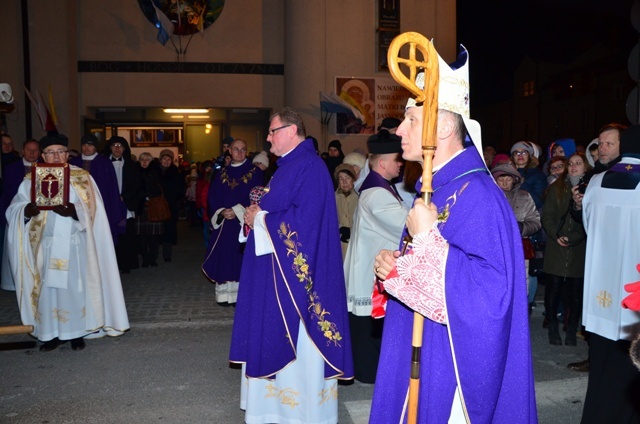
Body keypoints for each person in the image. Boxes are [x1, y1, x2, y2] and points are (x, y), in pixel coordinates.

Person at [370, 46, 537, 423]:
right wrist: (395, 269)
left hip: (453, 362)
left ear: (443, 127)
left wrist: (428, 241)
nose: (398, 130)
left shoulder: (478, 195)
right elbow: (433, 269)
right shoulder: (436, 187)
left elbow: (491, 297)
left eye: (410, 120)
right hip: (427, 345)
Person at [230, 108, 353, 423]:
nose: (268, 139)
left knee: (292, 338)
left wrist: (260, 219)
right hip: (274, 272)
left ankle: (297, 412)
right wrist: (256, 214)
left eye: (272, 131)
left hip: (294, 280)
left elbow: (306, 224)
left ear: (292, 130)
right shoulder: (288, 166)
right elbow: (277, 206)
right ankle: (274, 410)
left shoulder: (309, 167)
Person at [5, 134, 129, 351]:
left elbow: (95, 210)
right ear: (43, 155)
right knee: (47, 290)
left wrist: (76, 211)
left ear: (67, 153)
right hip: (44, 245)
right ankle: (51, 333)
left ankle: (77, 332)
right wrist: (26, 211)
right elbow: (14, 208)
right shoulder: (31, 179)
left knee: (74, 288)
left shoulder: (82, 177)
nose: (55, 156)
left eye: (60, 151)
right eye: (50, 152)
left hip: (75, 244)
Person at [572, 124, 640, 423]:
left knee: (601, 369)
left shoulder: (597, 181)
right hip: (634, 296)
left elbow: (588, 225)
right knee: (631, 369)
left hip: (600, 294)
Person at [343, 130, 408, 384]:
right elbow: (406, 225)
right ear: (383, 163)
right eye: (397, 159)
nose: (401, 164)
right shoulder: (378, 194)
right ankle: (370, 373)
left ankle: (371, 370)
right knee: (371, 328)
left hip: (369, 267)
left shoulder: (377, 188)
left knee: (371, 328)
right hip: (370, 274)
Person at [202, 139, 263, 305]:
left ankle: (241, 297)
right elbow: (212, 195)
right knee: (224, 258)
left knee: (240, 258)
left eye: (243, 149)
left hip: (243, 223)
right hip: (224, 224)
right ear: (229, 151)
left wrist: (236, 211)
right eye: (236, 149)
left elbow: (257, 196)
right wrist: (222, 211)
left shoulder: (255, 172)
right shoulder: (221, 173)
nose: (240, 152)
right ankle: (224, 296)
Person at [541, 152, 590, 346]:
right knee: (552, 291)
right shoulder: (557, 188)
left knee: (575, 294)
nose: (573, 167)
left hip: (578, 249)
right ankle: (553, 327)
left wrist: (575, 238)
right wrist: (555, 234)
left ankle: (571, 330)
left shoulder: (591, 189)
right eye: (570, 164)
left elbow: (590, 220)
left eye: (578, 163)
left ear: (585, 167)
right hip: (556, 248)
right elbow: (548, 216)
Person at [491, 163, 541, 302]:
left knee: (520, 287)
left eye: (508, 179)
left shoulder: (525, 196)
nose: (505, 183)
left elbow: (535, 222)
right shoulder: (489, 198)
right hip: (495, 250)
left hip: (519, 248)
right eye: (501, 179)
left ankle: (521, 316)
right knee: (498, 289)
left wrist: (520, 227)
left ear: (515, 179)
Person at [0, 139, 40, 290]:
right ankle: (18, 280)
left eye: (35, 150)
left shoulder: (45, 167)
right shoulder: (11, 168)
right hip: (18, 216)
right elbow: (7, 193)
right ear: (22, 151)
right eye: (28, 150)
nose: (31, 153)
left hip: (39, 216)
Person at [69, 134, 122, 239]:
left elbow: (112, 189)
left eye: (90, 145)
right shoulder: (74, 163)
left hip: (101, 206)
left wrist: (114, 209)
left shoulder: (105, 163)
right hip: (77, 206)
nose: (87, 148)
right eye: (84, 145)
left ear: (96, 147)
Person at [135, 152, 164, 268]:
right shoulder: (135, 172)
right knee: (142, 236)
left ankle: (153, 258)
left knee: (153, 236)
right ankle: (145, 259)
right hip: (141, 207)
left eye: (147, 159)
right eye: (142, 159)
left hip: (154, 206)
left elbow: (160, 187)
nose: (145, 162)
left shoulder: (156, 172)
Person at [158, 149, 184, 263]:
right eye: (164, 159)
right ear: (160, 160)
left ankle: (167, 255)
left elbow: (180, 190)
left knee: (168, 231)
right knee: (156, 230)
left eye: (169, 159)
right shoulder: (155, 172)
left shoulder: (176, 173)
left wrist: (173, 197)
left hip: (170, 205)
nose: (166, 161)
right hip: (157, 205)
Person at [511, 140, 547, 210]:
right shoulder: (506, 172)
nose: (520, 155)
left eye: (524, 152)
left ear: (530, 156)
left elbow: (538, 202)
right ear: (512, 157)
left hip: (527, 217)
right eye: (516, 153)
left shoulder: (538, 175)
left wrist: (522, 184)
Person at [334, 163, 358, 261]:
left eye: (347, 178)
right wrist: (340, 228)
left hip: (357, 241)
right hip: (340, 243)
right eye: (341, 178)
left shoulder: (360, 197)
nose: (344, 182)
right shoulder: (333, 198)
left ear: (353, 179)